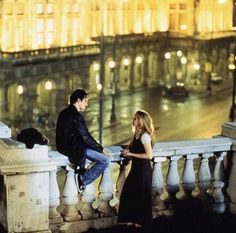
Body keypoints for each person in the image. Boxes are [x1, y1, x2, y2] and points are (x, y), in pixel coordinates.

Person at [55, 89, 110, 193]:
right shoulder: (77, 116)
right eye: (85, 101)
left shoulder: (63, 113)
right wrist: (101, 149)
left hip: (63, 148)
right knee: (105, 161)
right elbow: (86, 137)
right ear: (78, 100)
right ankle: (83, 179)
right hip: (76, 149)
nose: (87, 104)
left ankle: (84, 175)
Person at [118, 110, 155, 228]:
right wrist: (127, 150)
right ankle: (133, 219)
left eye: (135, 118)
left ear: (141, 121)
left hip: (143, 170)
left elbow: (149, 155)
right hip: (136, 169)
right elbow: (131, 145)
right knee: (130, 192)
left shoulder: (145, 136)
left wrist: (131, 155)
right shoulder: (137, 134)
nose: (133, 120)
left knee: (141, 195)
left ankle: (141, 222)